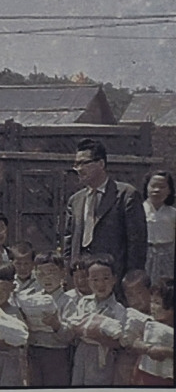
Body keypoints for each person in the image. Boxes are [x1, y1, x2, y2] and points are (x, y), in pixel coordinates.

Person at [63, 138, 147, 282]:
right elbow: (69, 239)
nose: (79, 169)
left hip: (113, 276)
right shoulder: (75, 200)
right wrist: (68, 270)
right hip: (81, 277)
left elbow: (137, 242)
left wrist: (132, 276)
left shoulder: (126, 195)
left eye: (84, 163)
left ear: (101, 164)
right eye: (76, 164)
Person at [70, 254, 126, 386]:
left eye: (106, 278)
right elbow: (75, 325)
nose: (101, 284)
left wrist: (95, 334)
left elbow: (120, 342)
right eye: (95, 279)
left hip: (103, 356)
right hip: (82, 352)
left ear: (114, 279)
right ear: (88, 281)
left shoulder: (118, 309)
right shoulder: (84, 302)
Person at [25, 251, 77, 386]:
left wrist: (56, 325)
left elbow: (71, 335)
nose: (47, 278)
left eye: (52, 272)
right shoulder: (31, 299)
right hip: (34, 350)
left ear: (62, 273)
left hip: (56, 353)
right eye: (41, 274)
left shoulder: (68, 301)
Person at [142, 170, 175, 284]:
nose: (157, 190)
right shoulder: (138, 211)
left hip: (168, 256)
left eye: (162, 186)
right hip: (145, 255)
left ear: (169, 190)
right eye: (153, 186)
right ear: (147, 187)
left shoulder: (173, 213)